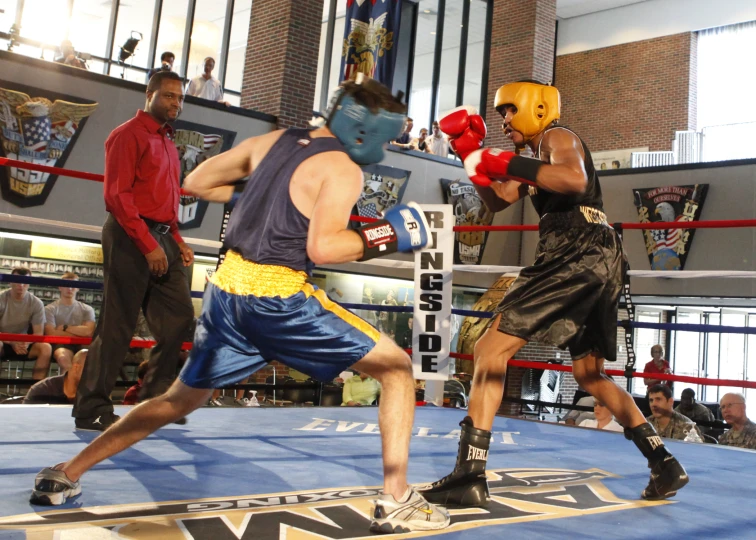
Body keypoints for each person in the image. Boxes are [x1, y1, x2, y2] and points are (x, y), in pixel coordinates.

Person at [31, 75, 449, 534]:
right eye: (385, 138)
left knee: (180, 399)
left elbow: (197, 180)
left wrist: (261, 193)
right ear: (364, 130)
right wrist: (387, 234)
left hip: (226, 291)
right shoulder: (342, 168)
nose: (384, 151)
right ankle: (396, 500)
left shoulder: (273, 140)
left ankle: (65, 473)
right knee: (395, 369)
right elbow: (325, 249)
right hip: (279, 298)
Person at [419, 80, 688, 507]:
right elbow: (498, 200)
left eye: (509, 110)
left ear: (536, 107)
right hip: (599, 257)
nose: (504, 120)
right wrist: (470, 156)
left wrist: (503, 159)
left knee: (490, 349)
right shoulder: (534, 159)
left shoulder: (557, 137)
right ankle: (664, 462)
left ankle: (468, 474)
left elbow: (574, 179)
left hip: (573, 251)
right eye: (501, 113)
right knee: (589, 376)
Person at [71, 70, 195, 432]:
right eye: (170, 96)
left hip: (163, 237)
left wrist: (178, 240)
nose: (176, 103)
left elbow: (166, 202)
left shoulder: (168, 142)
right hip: (130, 236)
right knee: (117, 326)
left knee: (180, 320)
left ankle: (155, 401)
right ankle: (91, 407)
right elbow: (116, 196)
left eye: (180, 98)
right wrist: (147, 243)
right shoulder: (127, 135)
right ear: (150, 94)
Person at [0, 267, 52, 381]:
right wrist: (12, 342)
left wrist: (26, 342)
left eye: (25, 281)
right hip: (3, 341)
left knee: (46, 348)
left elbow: (38, 334)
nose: (21, 285)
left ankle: (35, 390)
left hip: (23, 344)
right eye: (18, 281)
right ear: (10, 282)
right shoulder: (1, 298)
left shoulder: (36, 303)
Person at [43, 272, 96, 373]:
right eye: (66, 285)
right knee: (64, 359)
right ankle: (67, 387)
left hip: (83, 345)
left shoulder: (87, 309)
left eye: (73, 285)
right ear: (60, 287)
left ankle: (79, 388)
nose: (70, 288)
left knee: (88, 361)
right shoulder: (50, 309)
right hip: (62, 344)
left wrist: (64, 327)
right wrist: (80, 333)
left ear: (78, 288)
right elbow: (51, 333)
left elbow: (89, 332)